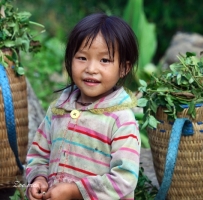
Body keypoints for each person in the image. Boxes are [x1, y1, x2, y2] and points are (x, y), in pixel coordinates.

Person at [26, 13, 140, 200]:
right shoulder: (58, 110)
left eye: (104, 60)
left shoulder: (121, 119)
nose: (91, 69)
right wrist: (38, 179)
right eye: (82, 58)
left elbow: (125, 179)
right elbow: (39, 155)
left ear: (124, 68)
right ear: (70, 60)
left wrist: (74, 191)